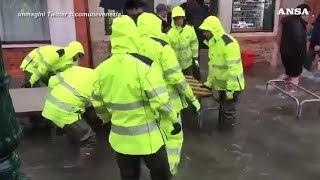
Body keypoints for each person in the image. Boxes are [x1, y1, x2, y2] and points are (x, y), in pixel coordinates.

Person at [92, 15, 178, 180]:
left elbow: (97, 102)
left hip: (120, 140)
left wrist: (107, 118)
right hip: (148, 139)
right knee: (161, 175)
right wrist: (173, 119)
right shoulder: (145, 65)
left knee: (129, 176)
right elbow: (161, 101)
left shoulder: (101, 68)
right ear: (133, 36)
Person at [137, 12, 200, 175]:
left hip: (142, 104)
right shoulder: (161, 46)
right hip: (166, 102)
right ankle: (169, 171)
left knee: (151, 138)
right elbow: (176, 78)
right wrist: (192, 98)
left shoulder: (132, 46)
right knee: (173, 137)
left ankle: (151, 170)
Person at [41, 66, 97, 168]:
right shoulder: (103, 83)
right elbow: (100, 107)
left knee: (68, 131)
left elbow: (52, 80)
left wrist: (55, 97)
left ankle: (63, 160)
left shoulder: (78, 69)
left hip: (49, 107)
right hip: (66, 112)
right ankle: (81, 168)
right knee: (89, 138)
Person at [199, 16, 245, 130]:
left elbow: (234, 70)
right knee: (222, 108)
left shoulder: (229, 44)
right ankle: (222, 130)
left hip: (232, 86)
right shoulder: (213, 43)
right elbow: (213, 66)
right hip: (222, 85)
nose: (204, 33)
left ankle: (227, 139)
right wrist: (209, 83)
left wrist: (231, 90)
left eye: (206, 30)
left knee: (228, 112)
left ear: (213, 30)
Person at [20, 41, 84, 88]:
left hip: (44, 69)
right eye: (79, 54)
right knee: (34, 88)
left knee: (52, 86)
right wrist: (31, 81)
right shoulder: (59, 53)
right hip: (32, 64)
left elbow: (65, 75)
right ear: (74, 51)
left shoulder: (69, 63)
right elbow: (43, 67)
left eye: (80, 56)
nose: (78, 58)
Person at [277, 4, 310, 89]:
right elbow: (298, 40)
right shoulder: (297, 23)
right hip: (295, 53)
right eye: (307, 13)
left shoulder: (287, 21)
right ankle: (293, 95)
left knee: (288, 73)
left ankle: (271, 87)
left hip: (285, 52)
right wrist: (302, 55)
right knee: (296, 75)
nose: (308, 16)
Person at [167, 6, 199, 77]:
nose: (178, 21)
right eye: (176, 19)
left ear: (183, 18)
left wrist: (195, 58)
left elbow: (194, 43)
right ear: (173, 19)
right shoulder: (170, 34)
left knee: (190, 82)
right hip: (175, 65)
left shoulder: (190, 30)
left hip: (188, 65)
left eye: (180, 18)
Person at [302, 13, 320, 78]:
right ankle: (306, 72)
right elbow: (315, 33)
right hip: (315, 44)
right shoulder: (317, 24)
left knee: (309, 58)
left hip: (315, 44)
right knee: (308, 59)